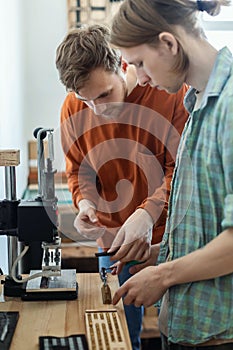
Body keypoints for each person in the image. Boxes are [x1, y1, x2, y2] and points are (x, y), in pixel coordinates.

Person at [56, 24, 188, 350]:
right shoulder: (73, 108)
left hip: (173, 240)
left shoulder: (169, 92)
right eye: (86, 100)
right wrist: (84, 203)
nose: (98, 109)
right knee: (119, 338)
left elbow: (182, 172)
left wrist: (147, 214)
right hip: (113, 244)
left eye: (104, 95)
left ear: (122, 63)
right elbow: (78, 172)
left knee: (180, 335)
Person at [110, 0, 233, 349]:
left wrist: (164, 274)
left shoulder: (230, 105)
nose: (142, 78)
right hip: (186, 329)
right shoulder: (198, 104)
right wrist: (165, 252)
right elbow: (213, 223)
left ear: (168, 43)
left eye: (140, 64)